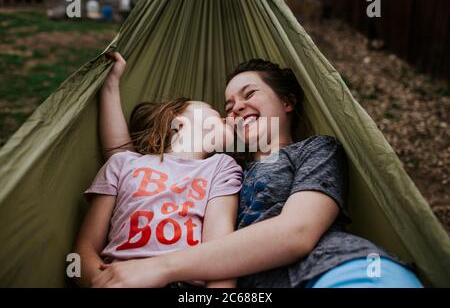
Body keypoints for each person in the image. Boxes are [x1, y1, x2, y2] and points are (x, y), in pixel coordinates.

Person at [90, 53, 423, 288]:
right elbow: (129, 162)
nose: (236, 109)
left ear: (287, 103)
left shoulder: (315, 149)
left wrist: (158, 268)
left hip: (337, 271)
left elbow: (297, 233)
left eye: (249, 94)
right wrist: (110, 87)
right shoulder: (222, 171)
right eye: (228, 107)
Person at [74, 53, 243, 288]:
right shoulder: (123, 163)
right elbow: (85, 248)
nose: (227, 117)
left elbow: (220, 250)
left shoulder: (221, 167)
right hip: (115, 276)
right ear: (179, 121)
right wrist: (110, 85)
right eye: (214, 111)